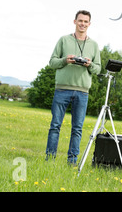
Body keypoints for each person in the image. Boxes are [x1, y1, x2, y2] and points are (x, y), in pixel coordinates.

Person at [45, 10, 101, 165]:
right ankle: (50, 158)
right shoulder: (63, 40)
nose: (82, 24)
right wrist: (65, 60)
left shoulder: (94, 45)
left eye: (85, 21)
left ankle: (72, 162)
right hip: (62, 89)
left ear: (89, 24)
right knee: (55, 126)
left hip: (82, 92)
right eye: (80, 20)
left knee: (77, 129)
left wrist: (89, 64)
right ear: (74, 21)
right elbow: (52, 62)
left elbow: (98, 69)